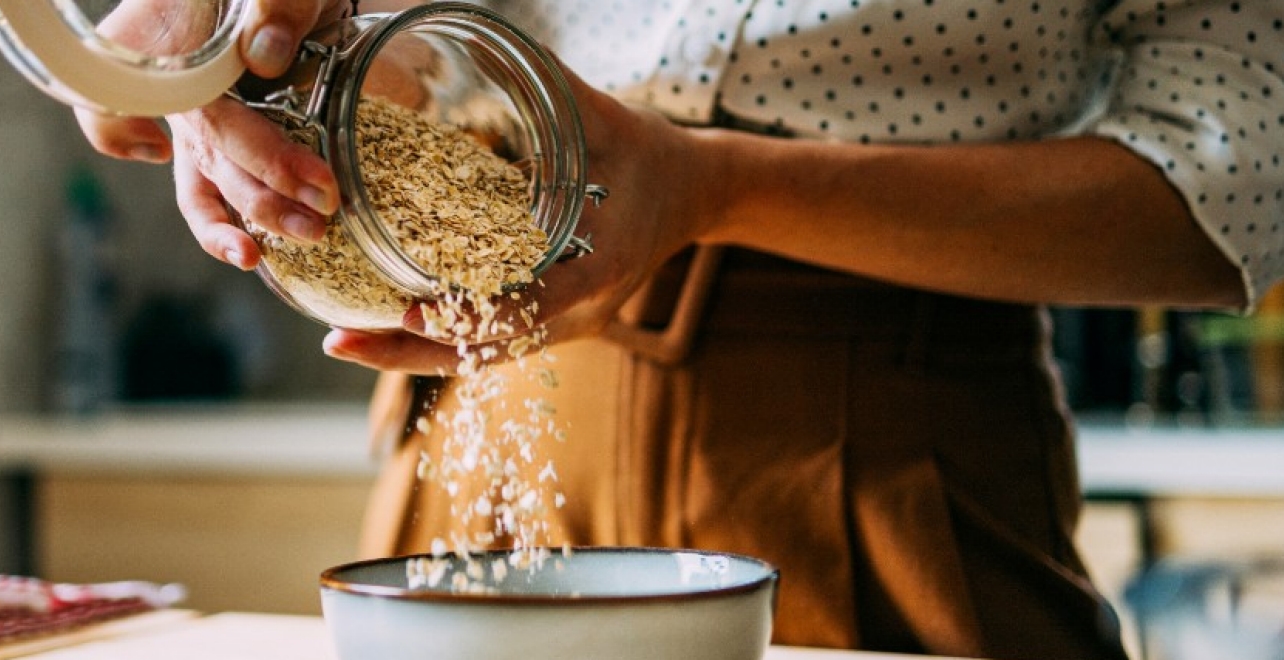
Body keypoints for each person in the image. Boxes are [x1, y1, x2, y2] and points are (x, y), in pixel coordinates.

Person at [77, 1, 1284, 658]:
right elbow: (400, 58)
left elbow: (1229, 193)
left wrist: (713, 184)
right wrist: (232, 60)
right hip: (487, 377)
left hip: (886, 452)